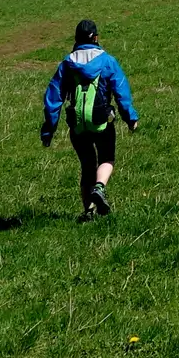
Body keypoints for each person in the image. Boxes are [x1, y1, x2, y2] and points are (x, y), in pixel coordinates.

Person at [41, 19, 138, 221]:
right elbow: (121, 91)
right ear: (96, 38)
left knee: (87, 166)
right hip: (102, 121)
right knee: (106, 158)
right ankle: (100, 188)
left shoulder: (66, 64)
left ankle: (88, 212)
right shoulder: (107, 61)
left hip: (77, 125)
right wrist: (130, 118)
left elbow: (53, 99)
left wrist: (48, 130)